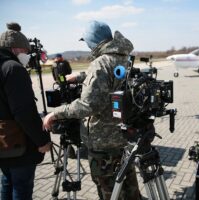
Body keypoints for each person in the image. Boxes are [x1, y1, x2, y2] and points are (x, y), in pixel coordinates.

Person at [43, 21, 140, 200]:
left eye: (87, 42)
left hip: (102, 143)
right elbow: (111, 78)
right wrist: (81, 77)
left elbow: (87, 105)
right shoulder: (123, 57)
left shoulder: (100, 63)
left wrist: (56, 113)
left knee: (108, 191)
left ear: (94, 41)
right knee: (129, 186)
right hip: (123, 136)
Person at [0, 22, 51, 199]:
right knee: (21, 187)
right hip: (18, 144)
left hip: (3, 142)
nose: (28, 55)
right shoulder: (13, 69)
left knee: (7, 182)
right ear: (15, 49)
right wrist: (42, 140)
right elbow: (24, 113)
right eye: (26, 51)